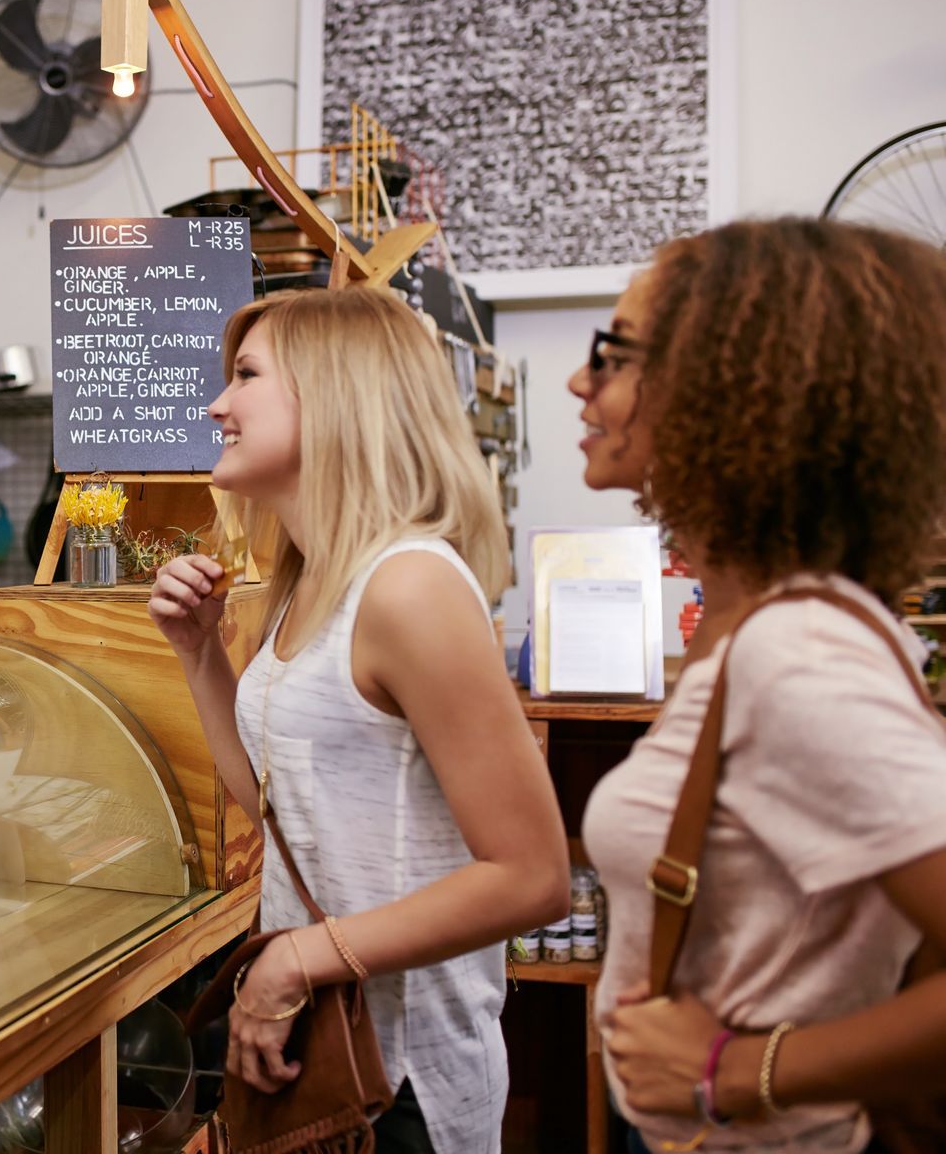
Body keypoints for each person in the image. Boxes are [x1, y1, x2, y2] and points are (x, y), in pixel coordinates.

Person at [149, 287, 569, 1154]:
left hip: (400, 1082)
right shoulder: (309, 579)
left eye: (246, 376)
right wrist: (199, 653)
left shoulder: (409, 585)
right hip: (323, 1051)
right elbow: (270, 797)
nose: (217, 404)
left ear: (336, 394)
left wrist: (299, 958)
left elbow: (531, 876)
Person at [575, 218, 946, 1152]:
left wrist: (740, 1071)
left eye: (613, 355)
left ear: (728, 392)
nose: (583, 383)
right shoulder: (759, 628)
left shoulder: (798, 653)